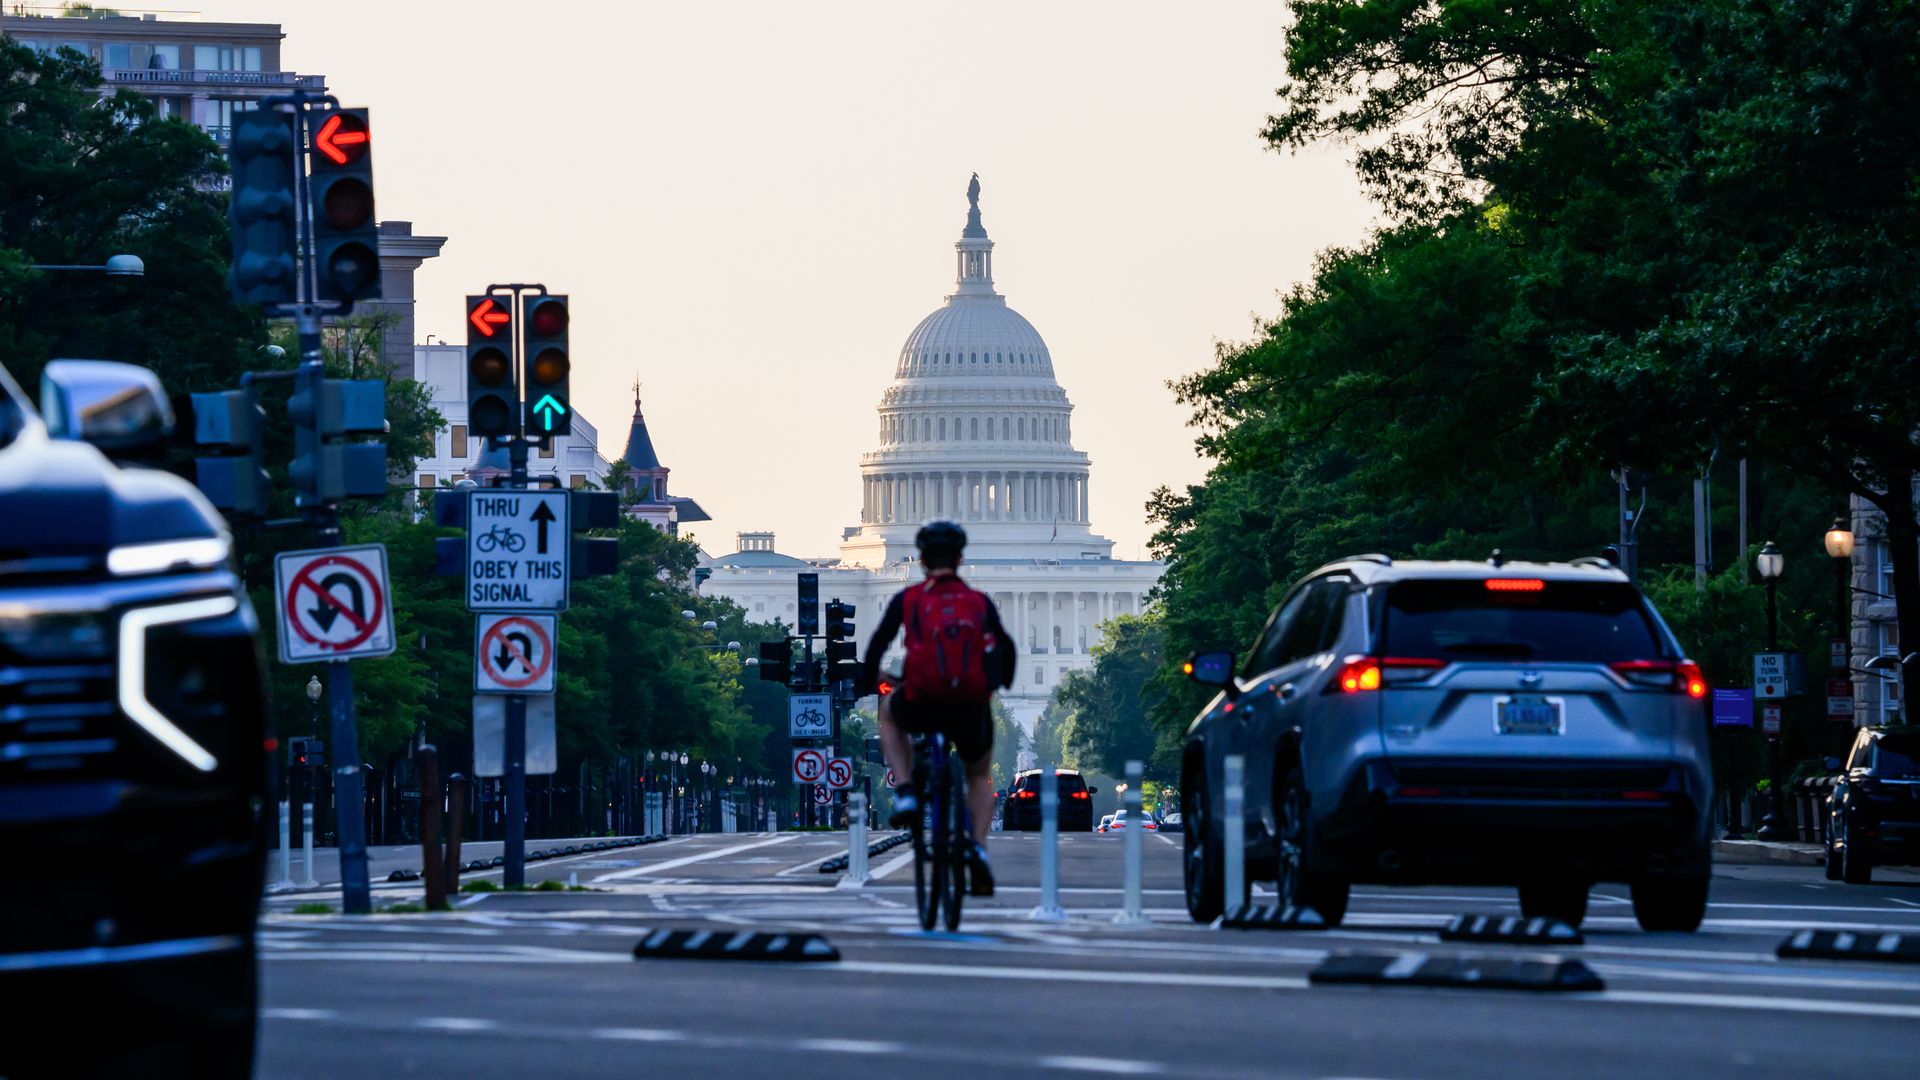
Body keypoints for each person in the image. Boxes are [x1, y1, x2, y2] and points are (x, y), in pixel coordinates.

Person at [861, 520, 1014, 896]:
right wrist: (993, 687)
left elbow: (877, 644)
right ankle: (977, 848)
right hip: (969, 705)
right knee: (979, 775)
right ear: (960, 560)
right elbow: (1006, 650)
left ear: (923, 561)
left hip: (922, 698)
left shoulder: (909, 599)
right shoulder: (978, 602)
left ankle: (908, 789)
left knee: (888, 715)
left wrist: (873, 679)